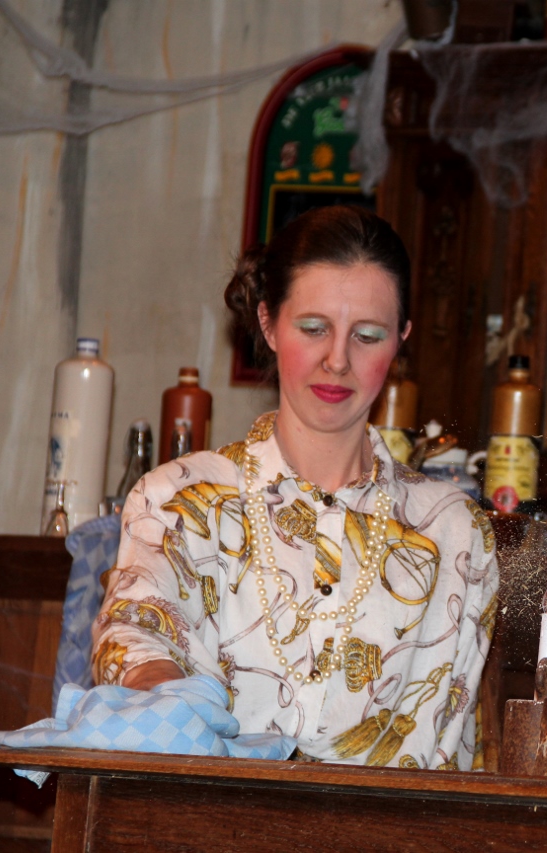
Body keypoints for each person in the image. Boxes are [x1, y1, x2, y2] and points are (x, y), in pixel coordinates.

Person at [89, 206, 498, 769]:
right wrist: (161, 695)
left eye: (368, 336)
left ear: (401, 340)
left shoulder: (455, 533)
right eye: (313, 328)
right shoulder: (177, 500)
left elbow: (451, 751)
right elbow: (134, 634)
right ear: (268, 323)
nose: (338, 360)